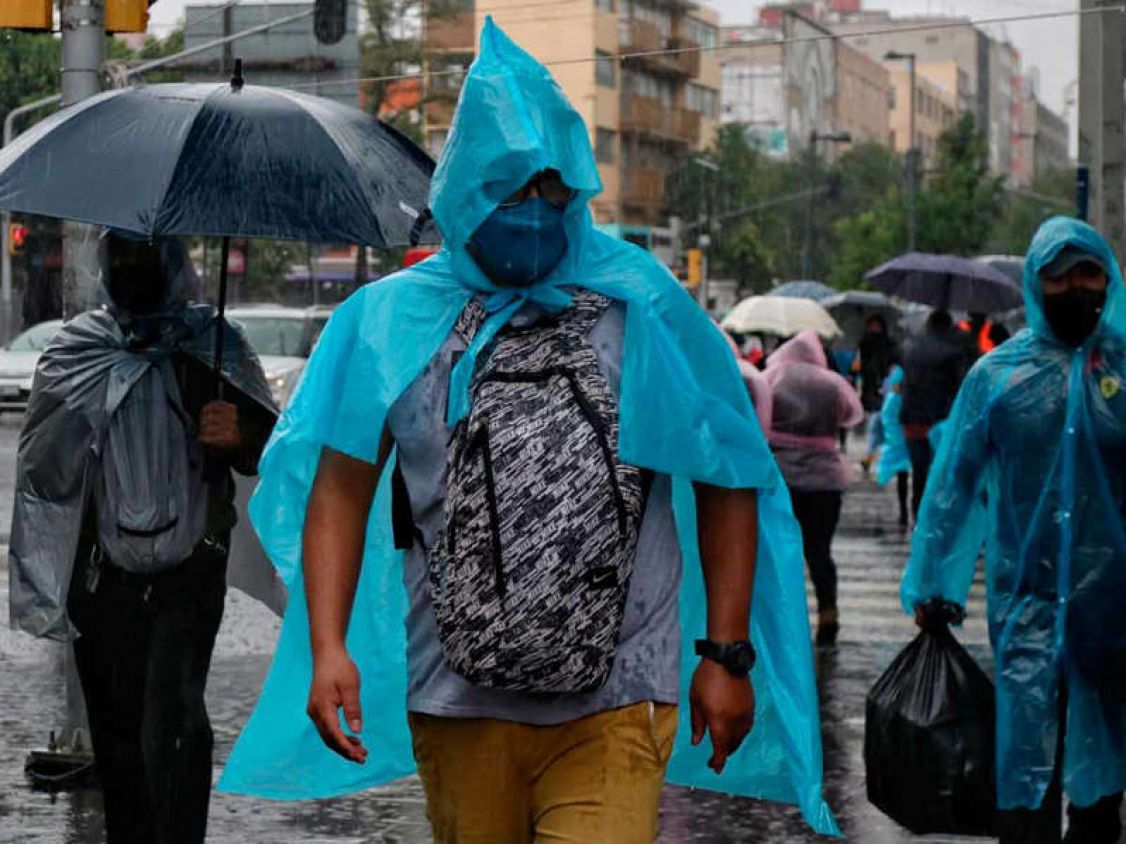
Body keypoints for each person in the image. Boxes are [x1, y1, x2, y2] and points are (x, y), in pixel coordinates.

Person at [218, 19, 838, 841]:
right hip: (457, 697)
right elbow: (340, 487)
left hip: (620, 699)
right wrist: (327, 645)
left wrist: (725, 656)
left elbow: (725, 475)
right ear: (464, 189)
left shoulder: (642, 307)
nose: (537, 209)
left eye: (554, 187)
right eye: (512, 187)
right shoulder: (391, 324)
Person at [9, 232, 277, 844]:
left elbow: (268, 448)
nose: (135, 267)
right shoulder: (79, 351)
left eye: (148, 254)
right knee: (118, 736)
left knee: (174, 720)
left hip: (189, 571)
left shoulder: (213, 347)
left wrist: (236, 432)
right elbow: (44, 471)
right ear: (105, 264)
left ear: (176, 264)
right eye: (123, 254)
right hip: (104, 578)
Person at [902, 217, 1126, 844]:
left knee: (1102, 786)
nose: (1076, 286)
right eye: (1060, 274)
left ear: (1108, 278)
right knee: (1025, 776)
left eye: (1089, 272)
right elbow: (953, 490)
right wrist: (934, 585)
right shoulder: (997, 377)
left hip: (1113, 609)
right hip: (1026, 602)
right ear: (1036, 281)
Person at [764, 330, 864, 645]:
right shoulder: (831, 383)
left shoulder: (772, 378)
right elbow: (851, 416)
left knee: (782, 551)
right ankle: (828, 612)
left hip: (783, 479)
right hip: (825, 481)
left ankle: (786, 619)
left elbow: (756, 412)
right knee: (820, 550)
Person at [898, 308, 968, 520]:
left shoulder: (908, 348)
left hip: (911, 416)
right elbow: (961, 387)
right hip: (940, 418)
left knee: (919, 468)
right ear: (948, 326)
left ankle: (916, 511)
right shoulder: (954, 352)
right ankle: (935, 514)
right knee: (941, 470)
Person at [856, 314, 898, 474]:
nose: (874, 329)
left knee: (878, 422)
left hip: (886, 386)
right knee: (877, 422)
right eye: (872, 325)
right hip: (871, 386)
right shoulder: (864, 343)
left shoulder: (890, 344)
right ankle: (872, 454)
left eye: (877, 325)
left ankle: (871, 455)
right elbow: (860, 365)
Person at [873, 365, 912, 527]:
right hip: (911, 438)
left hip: (899, 441)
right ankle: (909, 509)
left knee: (903, 474)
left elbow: (886, 420)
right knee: (914, 474)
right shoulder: (906, 397)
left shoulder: (893, 399)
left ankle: (905, 509)